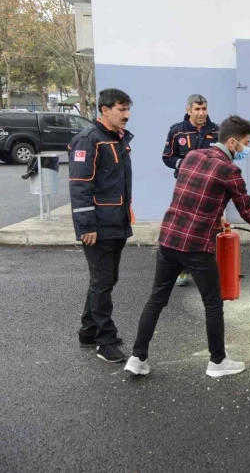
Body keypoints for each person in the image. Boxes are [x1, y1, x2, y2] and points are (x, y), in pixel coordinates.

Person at [125, 115, 250, 378]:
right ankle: (217, 362)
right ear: (233, 142)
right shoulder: (230, 171)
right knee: (212, 303)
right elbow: (248, 212)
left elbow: (191, 192)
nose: (247, 149)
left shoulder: (192, 156)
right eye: (246, 143)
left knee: (157, 298)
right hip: (197, 247)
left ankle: (137, 358)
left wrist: (216, 214)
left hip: (169, 238)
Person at [69, 88, 134, 363]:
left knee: (105, 280)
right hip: (98, 226)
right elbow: (80, 187)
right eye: (121, 110)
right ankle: (104, 341)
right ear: (104, 110)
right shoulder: (88, 140)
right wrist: (87, 227)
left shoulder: (117, 139)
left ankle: (88, 331)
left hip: (116, 222)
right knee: (102, 281)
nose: (126, 115)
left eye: (128, 109)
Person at [162, 94, 220, 287]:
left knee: (210, 229)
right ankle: (182, 271)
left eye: (204, 109)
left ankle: (210, 271)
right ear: (188, 110)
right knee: (184, 230)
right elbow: (167, 157)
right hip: (186, 191)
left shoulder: (217, 131)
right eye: (197, 109)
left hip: (211, 191)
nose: (202, 113)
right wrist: (183, 163)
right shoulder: (176, 131)